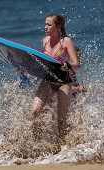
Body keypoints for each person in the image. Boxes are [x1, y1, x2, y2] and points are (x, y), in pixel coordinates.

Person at [31, 14, 80, 143]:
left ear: (58, 26)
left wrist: (67, 65)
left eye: (49, 24)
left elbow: (77, 65)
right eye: (45, 24)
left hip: (64, 83)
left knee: (61, 120)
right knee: (35, 112)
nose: (45, 27)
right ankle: (37, 144)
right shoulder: (44, 41)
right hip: (48, 81)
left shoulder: (66, 41)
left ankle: (62, 147)